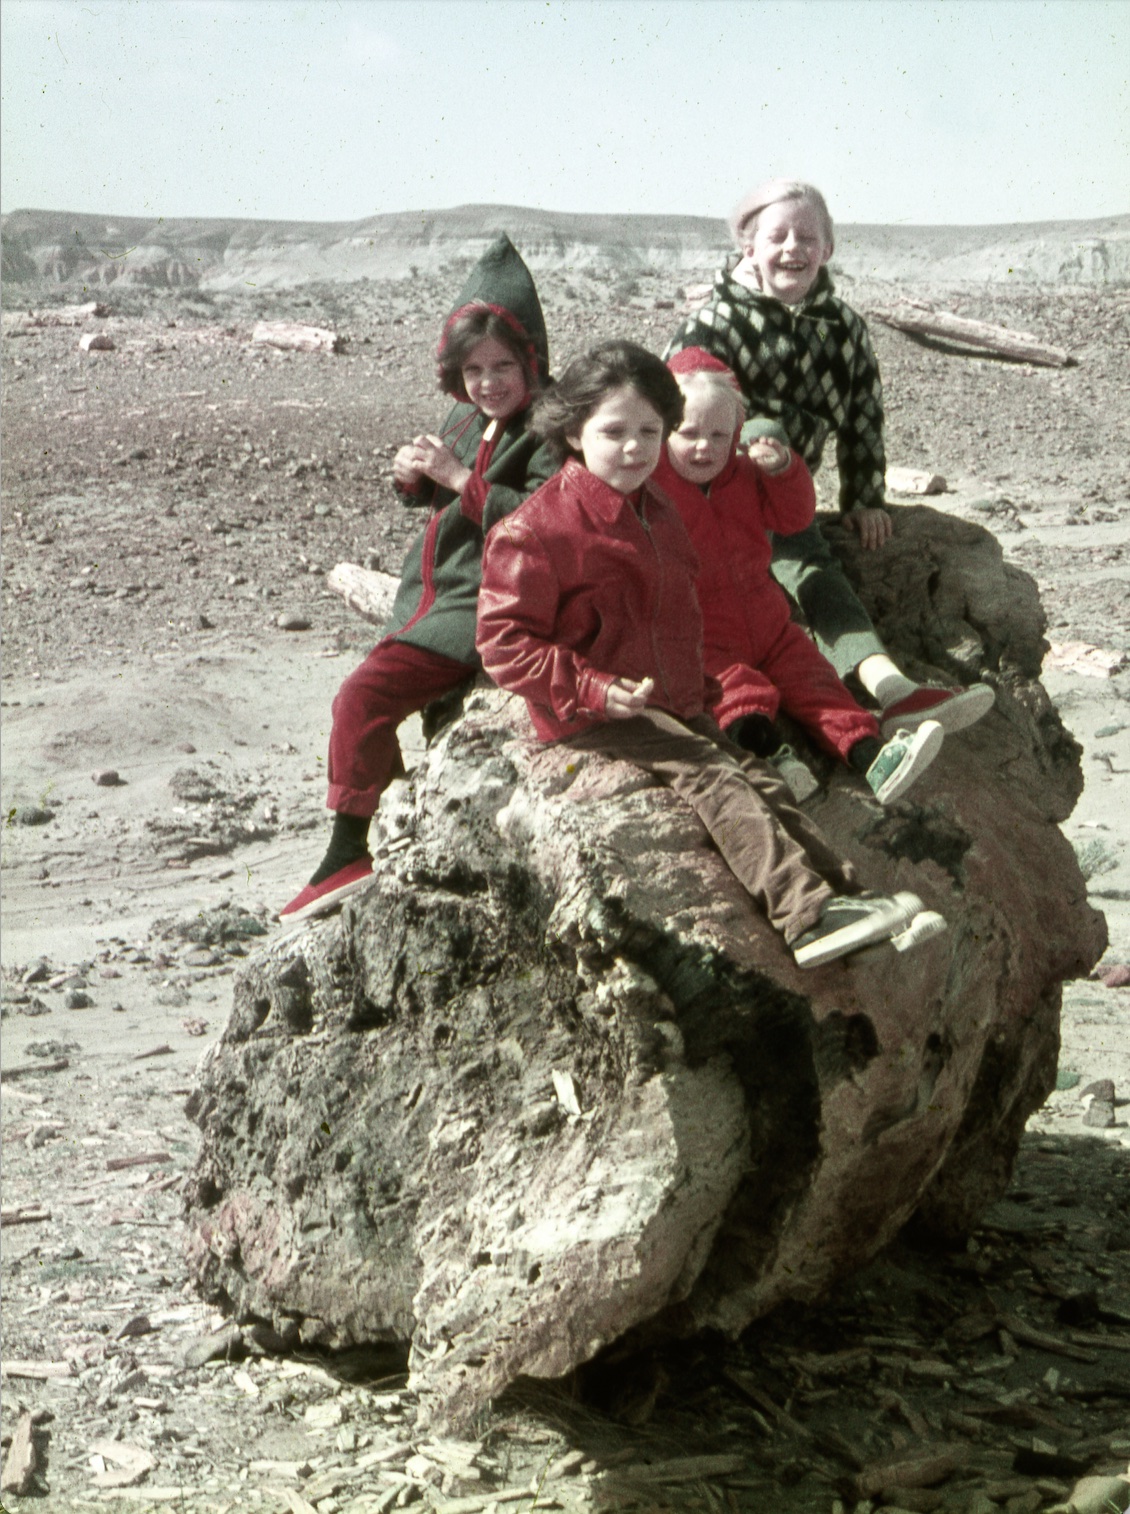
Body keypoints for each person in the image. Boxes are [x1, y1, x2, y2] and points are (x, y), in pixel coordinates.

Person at [477, 340, 944, 970]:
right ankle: (805, 916)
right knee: (715, 776)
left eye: (650, 430)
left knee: (761, 780)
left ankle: (854, 902)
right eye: (614, 432)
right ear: (572, 431)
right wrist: (591, 687)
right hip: (591, 716)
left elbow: (680, 611)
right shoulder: (535, 531)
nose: (636, 447)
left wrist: (698, 687)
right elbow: (504, 643)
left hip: (668, 699)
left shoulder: (657, 507)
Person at [281, 235, 556, 922]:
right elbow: (445, 498)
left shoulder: (551, 429)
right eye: (472, 369)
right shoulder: (467, 416)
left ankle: (350, 848)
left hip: (479, 604)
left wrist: (461, 479)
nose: (488, 382)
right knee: (367, 702)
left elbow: (543, 523)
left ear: (534, 360)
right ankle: (390, 826)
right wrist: (415, 480)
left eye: (503, 366)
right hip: (430, 596)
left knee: (359, 701)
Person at [665, 179, 994, 739]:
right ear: (750, 247)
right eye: (778, 236)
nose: (792, 248)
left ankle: (893, 690)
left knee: (816, 572)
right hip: (718, 499)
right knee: (766, 449)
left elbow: (865, 413)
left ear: (828, 249)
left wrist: (864, 499)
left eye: (807, 237)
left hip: (787, 495)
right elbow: (671, 418)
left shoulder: (843, 328)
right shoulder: (713, 326)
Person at [653, 348, 943, 805]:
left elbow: (793, 519)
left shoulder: (746, 474)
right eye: (687, 433)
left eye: (718, 433)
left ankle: (872, 756)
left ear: (737, 432)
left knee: (817, 682)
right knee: (734, 694)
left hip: (769, 622)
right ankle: (776, 759)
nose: (704, 446)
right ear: (663, 427)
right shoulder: (652, 489)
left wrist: (785, 472)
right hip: (704, 634)